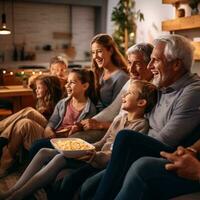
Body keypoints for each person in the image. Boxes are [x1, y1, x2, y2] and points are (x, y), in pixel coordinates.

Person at [80, 34, 200, 200]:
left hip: (163, 148)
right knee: (87, 188)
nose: (150, 67)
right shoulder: (160, 82)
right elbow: (130, 106)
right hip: (144, 143)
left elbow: (165, 141)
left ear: (177, 64)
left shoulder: (192, 91)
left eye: (155, 60)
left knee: (126, 138)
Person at [0, 80, 157, 200]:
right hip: (91, 154)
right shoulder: (119, 119)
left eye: (129, 93)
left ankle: (18, 195)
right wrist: (85, 147)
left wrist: (95, 155)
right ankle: (14, 189)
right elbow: (102, 142)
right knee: (43, 151)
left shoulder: (141, 125)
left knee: (60, 158)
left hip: (102, 161)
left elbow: (118, 155)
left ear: (141, 102)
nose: (123, 95)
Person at [0, 68, 96, 177]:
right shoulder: (63, 103)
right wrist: (49, 128)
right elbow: (53, 121)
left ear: (85, 86)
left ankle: (3, 152)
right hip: (51, 133)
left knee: (27, 116)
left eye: (72, 82)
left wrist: (76, 128)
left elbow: (81, 136)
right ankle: (4, 164)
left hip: (60, 141)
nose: (67, 85)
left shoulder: (90, 110)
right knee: (24, 122)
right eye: (67, 82)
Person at [69, 42, 153, 143]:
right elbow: (113, 109)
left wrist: (100, 125)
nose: (131, 69)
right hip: (114, 127)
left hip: (119, 132)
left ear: (150, 64)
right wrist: (84, 123)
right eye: (130, 63)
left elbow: (133, 124)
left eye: (138, 63)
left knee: (75, 140)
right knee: (72, 137)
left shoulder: (151, 89)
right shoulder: (132, 81)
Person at [0, 75, 63, 176]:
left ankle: (1, 134)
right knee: (23, 122)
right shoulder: (41, 101)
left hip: (51, 133)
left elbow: (56, 123)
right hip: (42, 129)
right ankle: (5, 164)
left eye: (39, 88)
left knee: (29, 111)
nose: (36, 90)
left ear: (47, 88)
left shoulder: (59, 102)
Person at [90, 33, 129, 112]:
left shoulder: (121, 78)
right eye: (93, 52)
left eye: (99, 51)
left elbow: (115, 110)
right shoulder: (98, 73)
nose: (95, 56)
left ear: (110, 51)